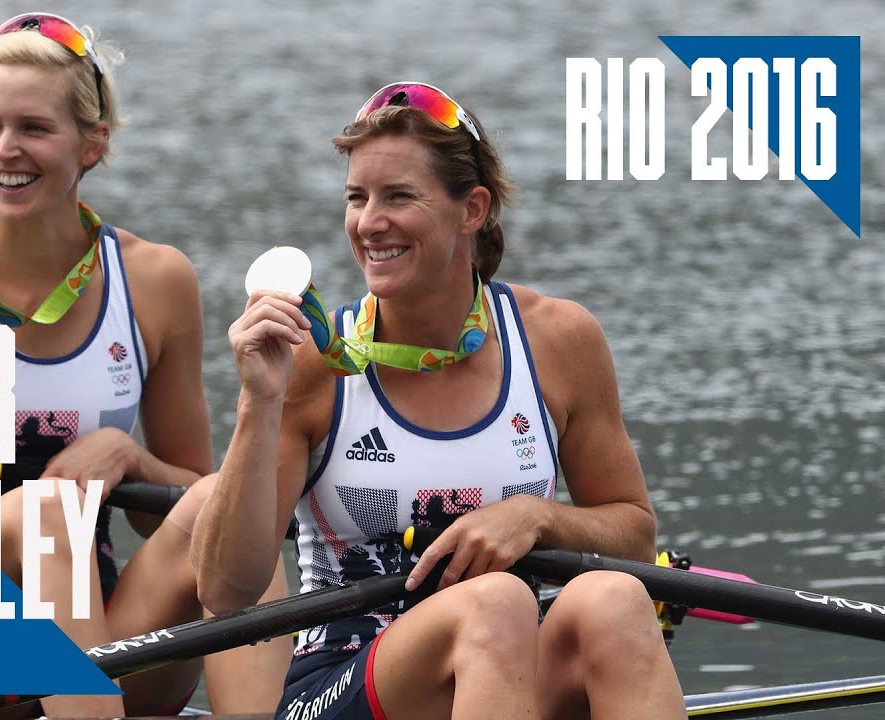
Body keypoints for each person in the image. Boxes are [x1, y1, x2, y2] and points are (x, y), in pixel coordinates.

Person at [0, 12, 290, 718]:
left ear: (93, 144)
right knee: (50, 513)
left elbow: (186, 493)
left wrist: (131, 459)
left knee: (217, 508)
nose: (5, 150)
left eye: (34, 128)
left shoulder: (156, 281)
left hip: (94, 636)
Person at [192, 82, 687, 720]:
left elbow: (635, 536)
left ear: (471, 209)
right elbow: (224, 591)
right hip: (341, 681)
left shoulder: (560, 341)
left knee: (617, 599)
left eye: (399, 196)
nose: (369, 223)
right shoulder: (315, 360)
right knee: (496, 602)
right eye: (357, 198)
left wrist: (537, 516)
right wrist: (258, 403)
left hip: (508, 662)